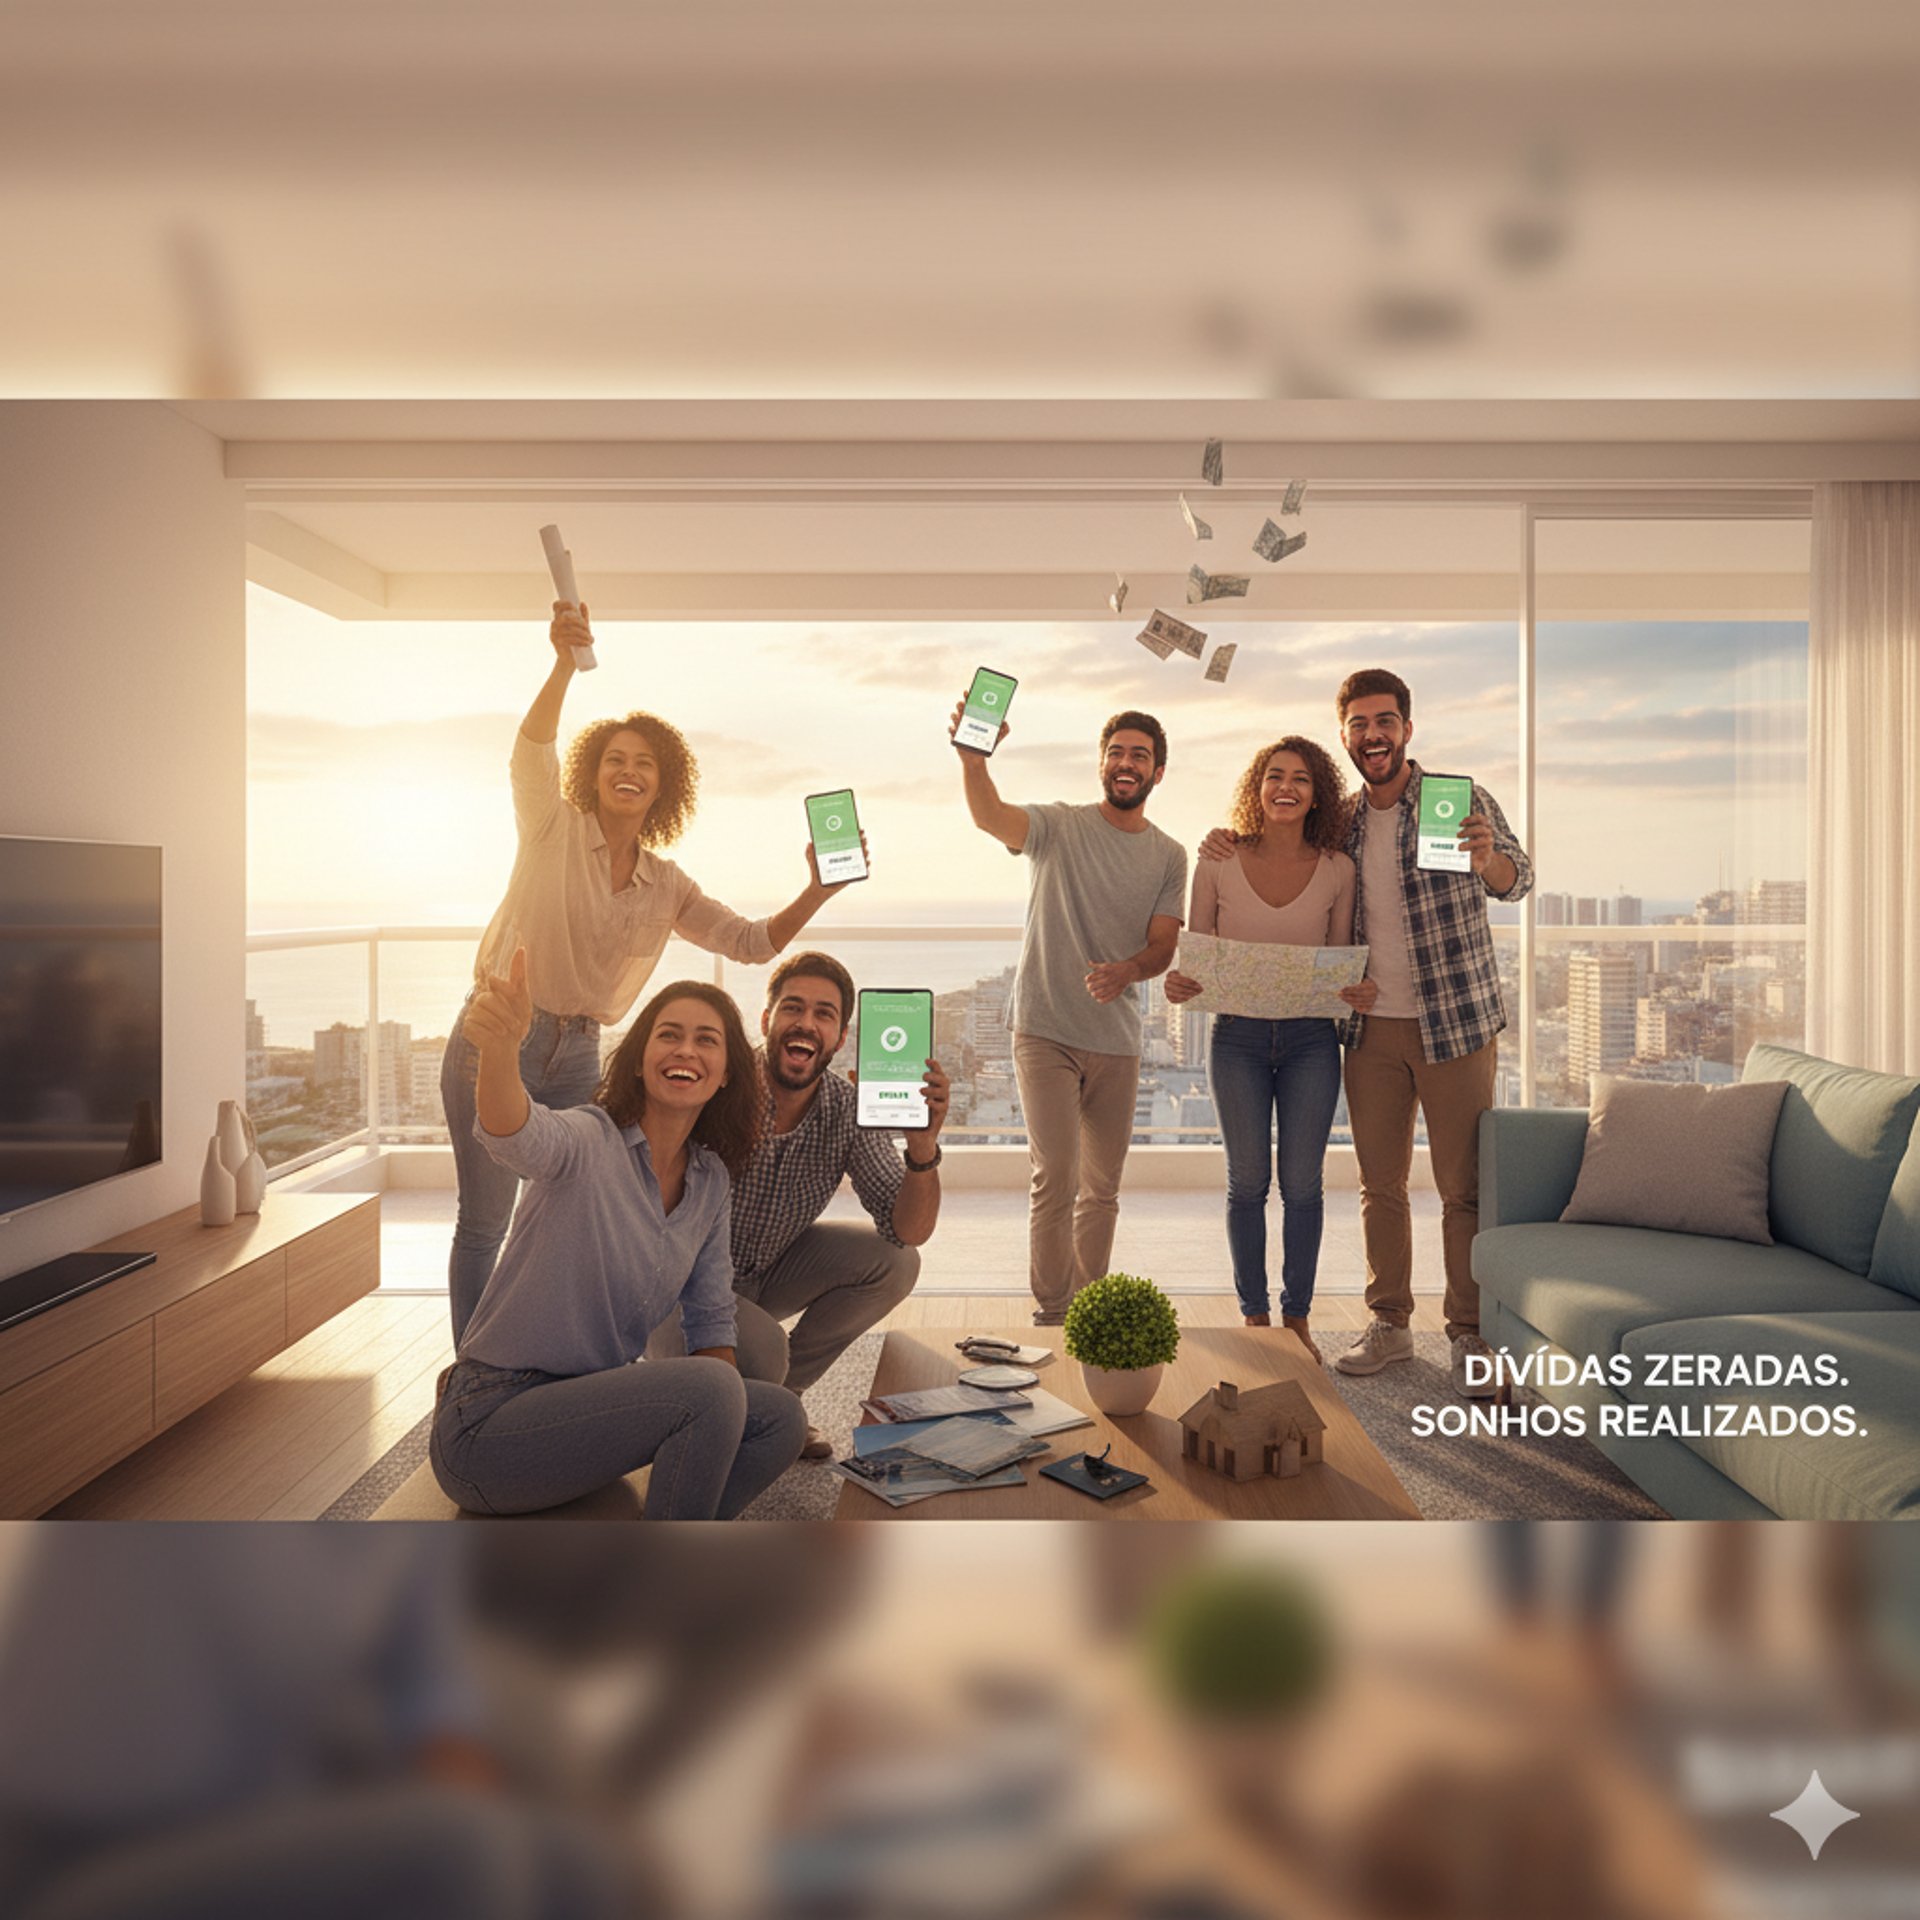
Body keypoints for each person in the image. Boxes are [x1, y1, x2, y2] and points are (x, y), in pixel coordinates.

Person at [441, 600, 862, 1343]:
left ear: (663, 788)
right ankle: (475, 1372)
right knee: (485, 1220)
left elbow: (754, 942)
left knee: (573, 1213)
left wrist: (819, 891)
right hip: (501, 1033)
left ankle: (559, 1350)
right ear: (593, 772)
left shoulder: (667, 884)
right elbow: (528, 749)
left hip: (579, 1056)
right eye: (615, 759)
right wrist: (563, 665)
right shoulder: (551, 829)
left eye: (645, 765)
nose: (628, 772)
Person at [1203, 669, 1531, 1395]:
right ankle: (1390, 1324)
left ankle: (1470, 1335)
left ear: (1407, 730)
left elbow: (1518, 879)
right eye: (1358, 724)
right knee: (1379, 1185)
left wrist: (1489, 859)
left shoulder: (1461, 800)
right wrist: (1226, 839)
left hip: (1456, 1022)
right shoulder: (1344, 820)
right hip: (1368, 1030)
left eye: (1384, 722)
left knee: (1462, 1189)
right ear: (1345, 734)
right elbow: (1287, 861)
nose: (1372, 735)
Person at [429, 956, 807, 1519]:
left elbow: (710, 1321)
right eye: (669, 1036)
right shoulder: (589, 1139)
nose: (685, 1050)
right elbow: (517, 1133)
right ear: (639, 1061)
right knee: (711, 1390)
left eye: (706, 1040)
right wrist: (503, 1050)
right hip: (488, 1426)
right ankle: (664, 1585)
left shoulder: (710, 1182)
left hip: (582, 1412)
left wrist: (717, 1423)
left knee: (780, 1418)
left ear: (727, 1072)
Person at [649, 951, 951, 1458]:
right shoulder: (717, 1085)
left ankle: (781, 1401)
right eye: (793, 1008)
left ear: (840, 1036)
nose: (806, 1023)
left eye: (824, 1014)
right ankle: (737, 1402)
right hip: (677, 1286)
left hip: (764, 1271)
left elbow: (909, 1230)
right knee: (765, 1349)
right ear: (767, 1020)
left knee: (896, 1263)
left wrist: (921, 1147)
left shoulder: (846, 1108)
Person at [952, 699, 1186, 1325]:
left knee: (1102, 1188)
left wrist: (1129, 971)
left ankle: (1088, 1309)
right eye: (1116, 753)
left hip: (1117, 1039)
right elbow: (989, 816)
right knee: (1055, 1176)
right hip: (1045, 1029)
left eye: (1139, 755)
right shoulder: (1058, 826)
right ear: (1101, 765)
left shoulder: (1169, 856)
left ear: (1158, 772)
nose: (1126, 763)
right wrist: (974, 760)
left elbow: (1164, 946)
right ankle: (1052, 1312)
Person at [1164, 737, 1376, 1362]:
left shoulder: (1338, 867)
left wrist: (1355, 989)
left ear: (1318, 795)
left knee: (1304, 1186)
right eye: (1274, 776)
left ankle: (1298, 1318)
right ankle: (1255, 1318)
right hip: (1238, 1039)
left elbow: (1336, 965)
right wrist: (1179, 986)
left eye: (1302, 779)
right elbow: (1197, 956)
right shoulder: (1219, 861)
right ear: (1257, 787)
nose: (1287, 787)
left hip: (1312, 1040)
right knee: (1247, 1183)